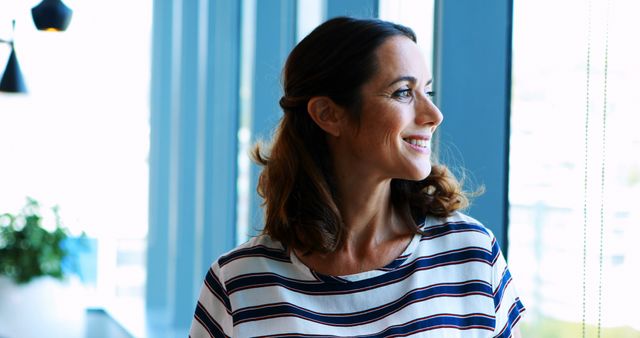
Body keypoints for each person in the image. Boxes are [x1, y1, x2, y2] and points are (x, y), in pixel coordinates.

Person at [189, 16, 525, 337]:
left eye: (428, 92)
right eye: (403, 92)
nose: (433, 114)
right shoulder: (239, 284)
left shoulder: (471, 254)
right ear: (328, 114)